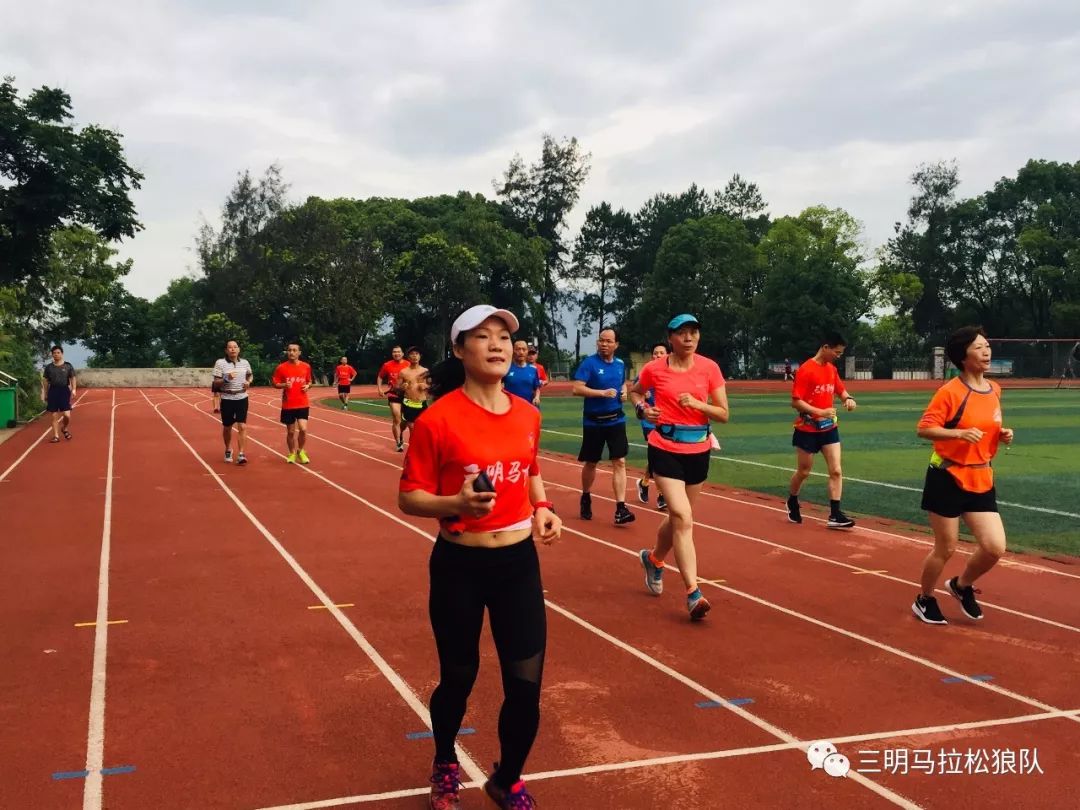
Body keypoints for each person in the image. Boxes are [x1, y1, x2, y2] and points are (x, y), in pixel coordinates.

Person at [398, 304, 561, 810]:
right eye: (483, 336)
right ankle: (445, 761)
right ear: (459, 349)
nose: (497, 345)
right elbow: (409, 497)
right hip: (460, 567)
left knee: (526, 684)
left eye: (504, 337)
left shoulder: (528, 414)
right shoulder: (437, 421)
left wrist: (542, 506)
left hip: (517, 565)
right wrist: (456, 504)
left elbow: (529, 467)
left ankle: (506, 778)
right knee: (459, 676)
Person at [912, 327, 1014, 625]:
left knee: (994, 547)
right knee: (946, 547)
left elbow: (989, 425)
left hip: (981, 477)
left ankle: (961, 585)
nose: (987, 351)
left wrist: (1002, 434)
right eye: (979, 347)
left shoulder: (994, 389)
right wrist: (959, 433)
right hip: (947, 477)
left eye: (987, 345)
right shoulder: (950, 392)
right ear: (963, 356)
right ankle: (924, 599)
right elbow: (924, 428)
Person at [631, 315, 728, 621]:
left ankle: (654, 559)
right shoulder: (654, 368)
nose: (689, 338)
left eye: (694, 333)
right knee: (684, 518)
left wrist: (699, 406)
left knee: (678, 519)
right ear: (670, 337)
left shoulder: (709, 368)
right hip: (665, 448)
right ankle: (693, 593)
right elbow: (635, 393)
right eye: (683, 333)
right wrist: (643, 409)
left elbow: (724, 413)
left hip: (699, 449)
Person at [786, 332, 858, 529]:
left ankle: (835, 514)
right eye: (837, 352)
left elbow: (841, 390)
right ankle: (792, 499)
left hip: (829, 428)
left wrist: (848, 399)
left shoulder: (832, 370)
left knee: (836, 470)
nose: (838, 356)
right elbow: (796, 402)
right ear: (825, 347)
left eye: (841, 353)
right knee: (804, 471)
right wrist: (820, 411)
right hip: (807, 429)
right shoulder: (806, 370)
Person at [572, 328, 634, 525]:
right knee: (591, 463)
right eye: (601, 341)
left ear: (616, 344)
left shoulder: (620, 364)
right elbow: (577, 388)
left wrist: (624, 391)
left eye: (608, 341)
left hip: (616, 419)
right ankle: (586, 496)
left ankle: (620, 508)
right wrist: (601, 393)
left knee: (620, 461)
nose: (604, 344)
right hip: (594, 421)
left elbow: (622, 384)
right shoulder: (589, 363)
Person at [629, 342, 669, 511]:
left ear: (667, 355)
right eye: (655, 353)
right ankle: (662, 495)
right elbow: (635, 393)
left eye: (661, 353)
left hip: (667, 419)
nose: (658, 355)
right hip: (649, 420)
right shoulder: (646, 373)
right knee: (660, 457)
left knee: (657, 457)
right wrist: (642, 403)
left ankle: (644, 482)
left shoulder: (671, 372)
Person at [212, 340, 254, 465]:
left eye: (235, 347)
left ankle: (241, 454)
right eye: (230, 347)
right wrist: (226, 378)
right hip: (227, 397)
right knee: (227, 427)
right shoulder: (220, 363)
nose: (233, 349)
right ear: (226, 350)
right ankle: (228, 449)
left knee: (242, 426)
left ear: (239, 349)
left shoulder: (245, 362)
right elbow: (216, 382)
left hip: (242, 396)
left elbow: (250, 375)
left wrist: (249, 382)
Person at [271, 342, 313, 464]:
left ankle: (301, 450)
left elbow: (309, 381)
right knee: (290, 432)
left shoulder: (306, 366)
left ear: (299, 353)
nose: (291, 353)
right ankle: (292, 453)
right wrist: (284, 385)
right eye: (289, 350)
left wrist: (308, 386)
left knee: (303, 429)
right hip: (288, 404)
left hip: (302, 403)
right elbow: (275, 383)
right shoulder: (281, 368)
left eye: (294, 350)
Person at [377, 345, 411, 451]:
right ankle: (398, 443)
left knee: (405, 421)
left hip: (407, 395)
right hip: (393, 395)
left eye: (398, 352)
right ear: (392, 354)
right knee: (397, 418)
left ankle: (400, 433)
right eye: (394, 352)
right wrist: (379, 389)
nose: (396, 353)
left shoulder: (408, 364)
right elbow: (380, 377)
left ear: (402, 353)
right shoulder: (387, 365)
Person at [41, 346, 76, 443]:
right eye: (54, 353)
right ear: (52, 354)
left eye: (58, 352)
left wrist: (74, 389)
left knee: (67, 415)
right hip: (53, 391)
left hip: (64, 391)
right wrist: (45, 393)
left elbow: (73, 378)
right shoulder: (49, 367)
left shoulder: (68, 366)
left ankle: (64, 428)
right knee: (54, 415)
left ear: (62, 353)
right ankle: (56, 436)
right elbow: (45, 380)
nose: (56, 354)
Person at [399, 346, 429, 442]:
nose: (414, 356)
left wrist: (426, 386)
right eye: (412, 354)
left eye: (417, 354)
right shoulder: (403, 372)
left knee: (422, 428)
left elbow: (431, 385)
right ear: (408, 357)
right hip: (409, 402)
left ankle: (416, 449)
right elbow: (397, 387)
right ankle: (412, 451)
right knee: (412, 427)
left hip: (422, 403)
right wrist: (402, 387)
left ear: (420, 356)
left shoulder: (425, 371)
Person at [503, 340, 543, 405]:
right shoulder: (506, 368)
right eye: (518, 349)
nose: (521, 352)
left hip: (528, 407)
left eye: (524, 349)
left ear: (527, 351)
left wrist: (537, 397)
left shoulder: (533, 369)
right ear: (513, 351)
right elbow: (497, 387)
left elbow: (536, 388)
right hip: (511, 408)